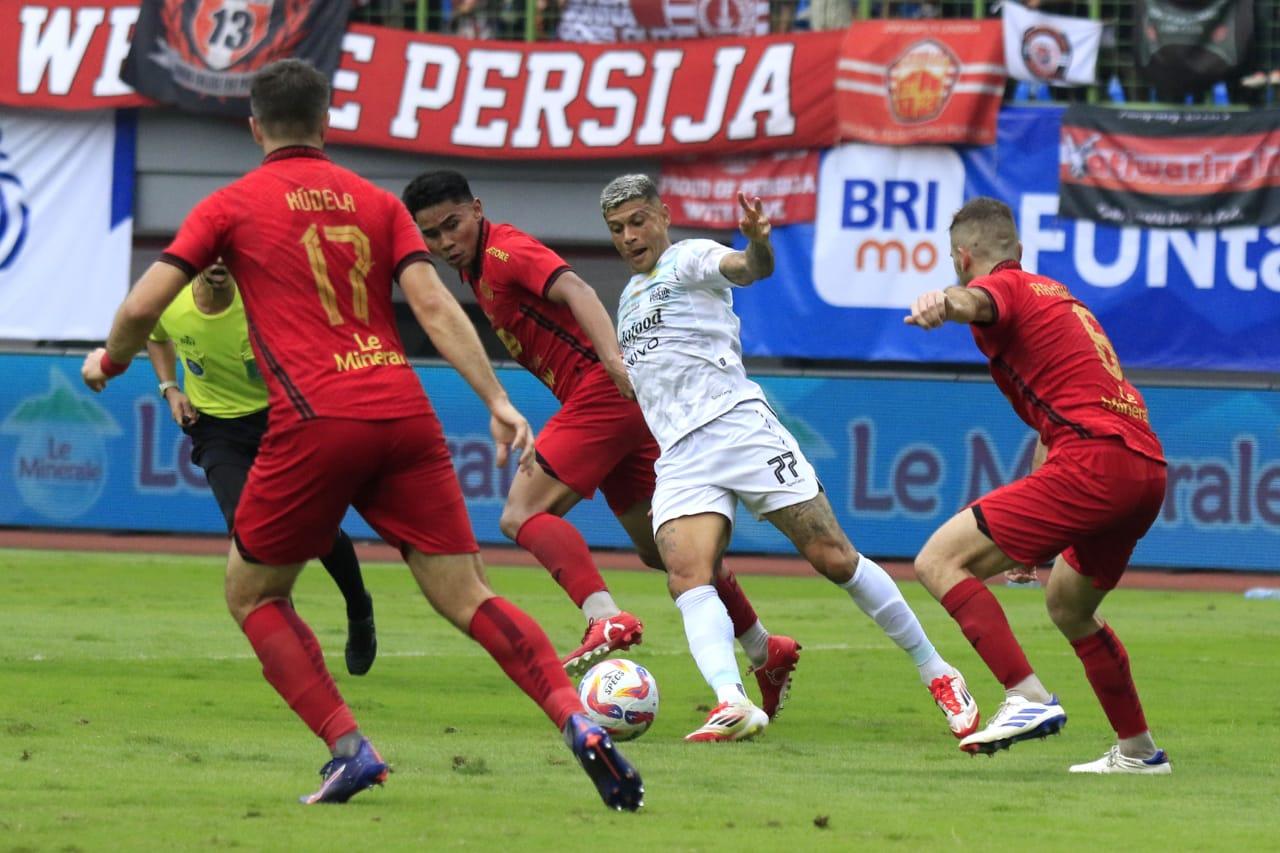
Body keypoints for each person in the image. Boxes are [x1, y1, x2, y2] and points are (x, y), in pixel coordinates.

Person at [82, 58, 643, 810]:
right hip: (404, 412)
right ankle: (576, 718)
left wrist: (111, 360)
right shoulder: (376, 202)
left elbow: (142, 306)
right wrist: (496, 399)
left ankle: (349, 748)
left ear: (254, 128)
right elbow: (437, 309)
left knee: (252, 593)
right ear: (327, 122)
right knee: (467, 594)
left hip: (316, 419)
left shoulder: (230, 204)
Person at [400, 170, 801, 719]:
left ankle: (603, 614)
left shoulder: (503, 251)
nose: (446, 242)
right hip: (616, 404)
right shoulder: (477, 272)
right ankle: (762, 647)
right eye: (432, 234)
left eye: (453, 225)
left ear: (477, 209)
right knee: (662, 550)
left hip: (603, 390)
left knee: (521, 513)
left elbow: (577, 289)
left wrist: (613, 362)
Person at [600, 173, 978, 743]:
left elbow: (748, 269)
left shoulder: (689, 259)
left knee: (834, 558)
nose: (629, 237)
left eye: (637, 221)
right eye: (616, 229)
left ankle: (939, 671)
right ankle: (732, 702)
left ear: (663, 216)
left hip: (737, 428)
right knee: (686, 576)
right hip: (680, 454)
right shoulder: (628, 300)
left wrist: (758, 243)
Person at [904, 196, 1170, 775]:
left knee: (938, 561)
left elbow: (976, 301)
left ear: (962, 257)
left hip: (1095, 462)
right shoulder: (1062, 298)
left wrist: (943, 302)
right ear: (1019, 249)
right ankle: (1139, 751)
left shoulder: (1002, 288)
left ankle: (1025, 695)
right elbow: (1059, 420)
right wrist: (1034, 538)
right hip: (1145, 468)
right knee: (1069, 605)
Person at [147, 261, 377, 676]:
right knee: (249, 532)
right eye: (211, 253)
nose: (218, 262)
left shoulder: (269, 297)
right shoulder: (171, 300)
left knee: (316, 529)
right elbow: (155, 336)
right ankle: (292, 641)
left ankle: (359, 608)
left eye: (226, 253)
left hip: (280, 420)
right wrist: (170, 389)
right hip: (216, 430)